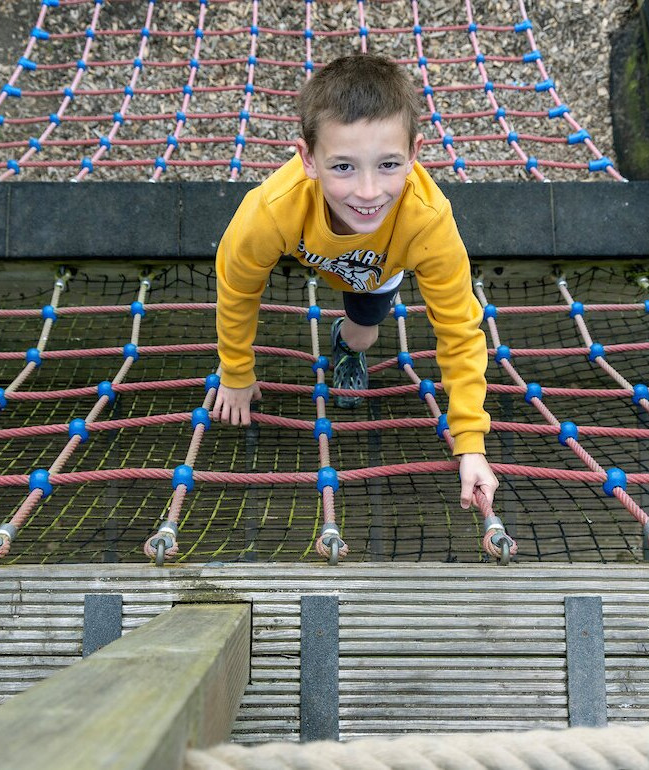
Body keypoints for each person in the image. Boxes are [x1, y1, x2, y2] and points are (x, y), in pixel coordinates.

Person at [211, 53, 498, 512]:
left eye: (388, 165)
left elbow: (460, 330)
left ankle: (346, 345)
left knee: (363, 330)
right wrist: (236, 372)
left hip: (377, 270)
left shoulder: (426, 221)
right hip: (309, 246)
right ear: (307, 159)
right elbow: (238, 287)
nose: (368, 192)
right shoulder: (271, 210)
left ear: (414, 156)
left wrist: (471, 445)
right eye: (343, 166)